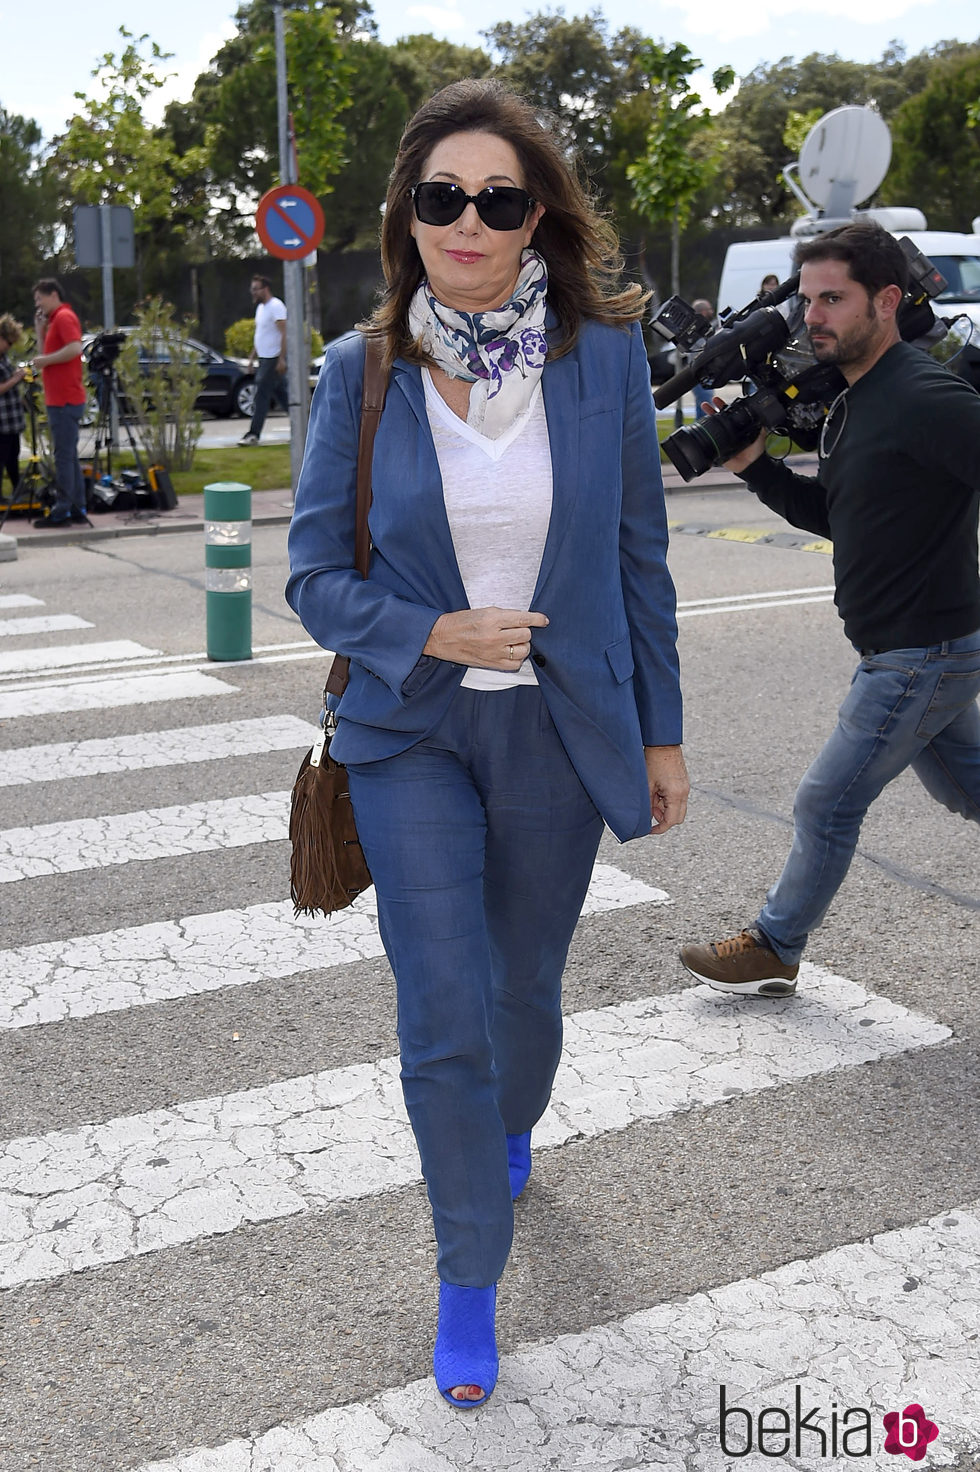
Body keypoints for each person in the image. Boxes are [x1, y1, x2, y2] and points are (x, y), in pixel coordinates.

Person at [287, 78, 689, 1408]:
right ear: (406, 216)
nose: (467, 220)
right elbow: (311, 581)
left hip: (564, 734)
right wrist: (434, 632)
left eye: (497, 199)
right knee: (442, 1010)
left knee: (525, 993)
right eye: (440, 196)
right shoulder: (363, 372)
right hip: (412, 736)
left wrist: (664, 738)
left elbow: (640, 558)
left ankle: (505, 1130)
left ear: (536, 220)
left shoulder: (606, 356)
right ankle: (471, 1275)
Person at [680, 221, 980, 997]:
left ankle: (774, 945)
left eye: (833, 298)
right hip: (905, 646)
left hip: (923, 650)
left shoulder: (924, 396)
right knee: (969, 788)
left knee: (826, 799)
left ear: (885, 300)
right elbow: (837, 516)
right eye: (807, 298)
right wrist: (751, 466)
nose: (813, 315)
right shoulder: (857, 400)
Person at [31, 279, 90, 527]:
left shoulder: (65, 317)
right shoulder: (54, 319)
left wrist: (47, 361)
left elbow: (75, 348)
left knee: (63, 457)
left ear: (53, 294)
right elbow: (45, 352)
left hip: (65, 398)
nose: (38, 305)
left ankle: (62, 510)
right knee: (69, 456)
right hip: (59, 398)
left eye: (39, 299)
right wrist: (39, 329)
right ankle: (77, 506)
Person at [239, 274, 287, 445]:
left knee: (261, 394)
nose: (252, 293)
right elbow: (261, 337)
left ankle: (253, 434)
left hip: (273, 358)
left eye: (255, 289)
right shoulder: (261, 308)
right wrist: (252, 358)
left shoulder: (276, 306)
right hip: (264, 358)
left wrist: (282, 359)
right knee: (283, 395)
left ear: (265, 289)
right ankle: (307, 426)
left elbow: (285, 334)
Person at [0, 314, 26, 499]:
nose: (10, 347)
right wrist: (15, 379)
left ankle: (18, 490)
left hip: (12, 418)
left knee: (12, 456)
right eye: (8, 343)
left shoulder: (4, 357)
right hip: (2, 420)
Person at [690, 297, 716, 419]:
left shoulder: (695, 329)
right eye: (709, 309)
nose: (712, 311)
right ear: (703, 312)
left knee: (701, 406)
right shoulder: (698, 330)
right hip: (701, 375)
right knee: (705, 407)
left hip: (700, 374)